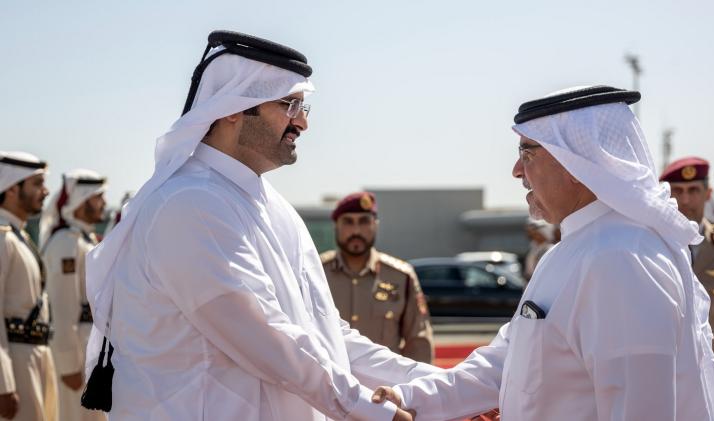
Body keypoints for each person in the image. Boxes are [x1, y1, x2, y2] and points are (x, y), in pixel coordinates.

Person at [83, 31, 440, 421]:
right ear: (233, 107)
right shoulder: (188, 203)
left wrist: (444, 390)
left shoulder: (272, 207)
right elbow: (265, 335)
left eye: (304, 107)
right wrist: (369, 409)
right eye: (289, 105)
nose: (302, 122)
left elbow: (327, 335)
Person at [371, 85, 714, 420]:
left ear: (576, 163)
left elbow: (639, 409)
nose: (516, 170)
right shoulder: (573, 251)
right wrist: (411, 398)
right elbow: (508, 362)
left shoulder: (622, 259)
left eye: (527, 152)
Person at [661, 157, 714, 403]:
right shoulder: (649, 246)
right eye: (678, 191)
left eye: (693, 190)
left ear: (708, 194)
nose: (685, 200)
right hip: (667, 385)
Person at [321, 191, 434, 363]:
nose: (356, 230)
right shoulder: (315, 273)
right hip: (328, 379)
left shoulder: (401, 276)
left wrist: (417, 379)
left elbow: (418, 341)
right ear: (336, 226)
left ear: (375, 225)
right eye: (348, 222)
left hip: (384, 380)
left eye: (364, 221)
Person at [40, 169, 108, 421]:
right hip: (79, 353)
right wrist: (69, 364)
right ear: (81, 199)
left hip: (94, 348)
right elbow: (62, 307)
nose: (103, 203)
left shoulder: (85, 240)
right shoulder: (66, 243)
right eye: (98, 197)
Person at [0, 152, 58, 421]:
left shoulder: (17, 235)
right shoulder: (2, 238)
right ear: (12, 188)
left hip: (34, 356)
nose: (45, 192)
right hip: (14, 363)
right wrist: (3, 383)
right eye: (37, 184)